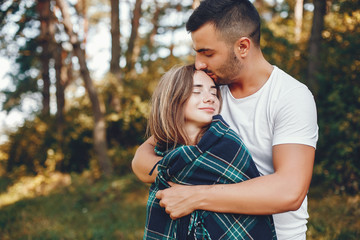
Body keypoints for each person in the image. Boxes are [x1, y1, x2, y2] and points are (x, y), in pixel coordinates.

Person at [132, 0, 318, 239]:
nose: (199, 63)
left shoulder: (290, 96)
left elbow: (290, 191)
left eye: (207, 53)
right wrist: (180, 175)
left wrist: (193, 195)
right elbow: (141, 159)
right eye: (197, 52)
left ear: (242, 46)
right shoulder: (209, 94)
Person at [142, 64, 277, 239]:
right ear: (172, 99)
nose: (209, 98)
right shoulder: (164, 148)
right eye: (197, 91)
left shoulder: (226, 144)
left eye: (214, 93)